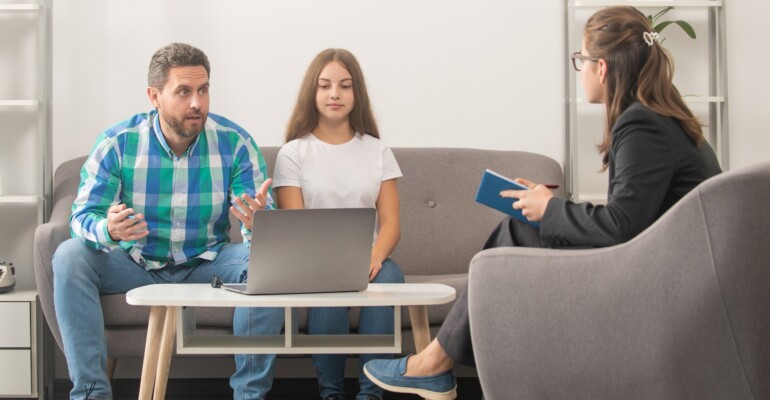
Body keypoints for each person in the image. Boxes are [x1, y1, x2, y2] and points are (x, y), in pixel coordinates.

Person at [362, 6, 723, 400]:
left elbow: (622, 226)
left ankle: (434, 363)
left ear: (602, 68)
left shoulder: (640, 124)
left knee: (516, 230)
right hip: (672, 265)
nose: (580, 70)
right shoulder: (659, 117)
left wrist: (549, 210)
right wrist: (547, 202)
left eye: (580, 60)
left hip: (664, 277)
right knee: (520, 227)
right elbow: (633, 218)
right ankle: (440, 362)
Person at [52, 42, 284, 400]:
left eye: (203, 90)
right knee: (69, 256)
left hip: (208, 262)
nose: (197, 103)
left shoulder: (235, 143)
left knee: (268, 262)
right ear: (155, 96)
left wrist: (258, 223)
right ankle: (91, 394)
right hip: (136, 262)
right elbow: (82, 217)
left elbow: (261, 218)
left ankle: (250, 396)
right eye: (184, 92)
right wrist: (108, 229)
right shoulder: (118, 143)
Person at [272, 48, 406, 400]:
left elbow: (391, 222)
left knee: (391, 277)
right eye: (325, 86)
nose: (335, 94)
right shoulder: (293, 153)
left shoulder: (378, 150)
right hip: (315, 263)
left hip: (369, 259)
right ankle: (331, 392)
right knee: (327, 286)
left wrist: (375, 257)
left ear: (356, 92)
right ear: (312, 92)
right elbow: (295, 228)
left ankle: (372, 392)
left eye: (345, 86)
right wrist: (330, 264)